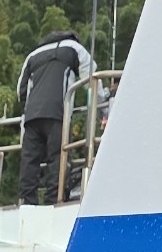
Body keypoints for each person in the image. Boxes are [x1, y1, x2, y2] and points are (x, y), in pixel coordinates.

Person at [17, 28, 104, 205]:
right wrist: (102, 105)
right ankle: (54, 200)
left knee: (29, 160)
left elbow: (21, 91)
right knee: (59, 156)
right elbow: (92, 80)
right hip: (58, 113)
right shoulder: (74, 48)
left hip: (31, 117)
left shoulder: (33, 55)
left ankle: (27, 201)